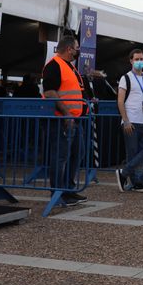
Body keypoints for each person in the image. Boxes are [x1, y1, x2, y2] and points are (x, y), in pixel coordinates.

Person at [41, 35, 88, 207]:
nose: (78, 50)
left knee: (78, 153)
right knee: (60, 157)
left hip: (74, 120)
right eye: (76, 47)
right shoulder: (54, 65)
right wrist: (67, 113)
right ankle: (58, 192)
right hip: (62, 120)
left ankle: (68, 189)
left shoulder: (70, 67)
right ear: (69, 49)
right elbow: (50, 92)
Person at [115, 49, 143, 193]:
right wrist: (126, 120)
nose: (140, 61)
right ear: (131, 61)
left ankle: (123, 173)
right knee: (132, 152)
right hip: (131, 121)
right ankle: (135, 182)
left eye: (142, 59)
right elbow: (120, 101)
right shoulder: (125, 78)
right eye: (137, 59)